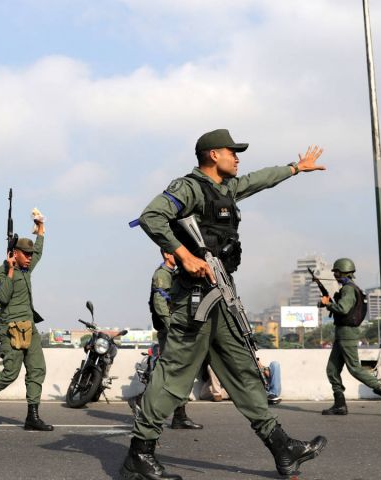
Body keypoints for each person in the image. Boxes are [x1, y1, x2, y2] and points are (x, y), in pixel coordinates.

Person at [122, 129, 327, 479]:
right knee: (173, 374)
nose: (238, 157)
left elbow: (258, 180)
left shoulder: (226, 189)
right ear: (214, 155)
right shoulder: (188, 187)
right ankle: (139, 454)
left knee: (244, 369)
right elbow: (151, 215)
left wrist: (295, 168)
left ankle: (281, 446)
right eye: (233, 152)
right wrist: (184, 255)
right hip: (195, 297)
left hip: (222, 291)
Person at [0, 215, 51, 431]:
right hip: (11, 329)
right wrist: (11, 269)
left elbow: (39, 252)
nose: (31, 258)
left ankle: (32, 416)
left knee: (37, 369)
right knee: (10, 373)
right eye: (26, 254)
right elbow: (4, 297)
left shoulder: (27, 269)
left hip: (29, 327)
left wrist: (41, 228)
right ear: (15, 254)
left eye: (31, 254)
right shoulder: (2, 273)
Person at [131, 249, 202, 429]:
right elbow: (160, 303)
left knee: (180, 372)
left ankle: (180, 416)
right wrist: (172, 327)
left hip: (177, 330)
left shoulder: (174, 273)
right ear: (167, 254)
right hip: (170, 331)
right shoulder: (162, 274)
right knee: (171, 370)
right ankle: (141, 400)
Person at [320, 258, 381, 416]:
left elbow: (342, 309)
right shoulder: (349, 288)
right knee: (332, 370)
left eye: (336, 271)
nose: (334, 274)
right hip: (342, 334)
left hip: (347, 334)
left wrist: (327, 304)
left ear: (343, 272)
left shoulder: (348, 289)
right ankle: (340, 405)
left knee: (354, 368)